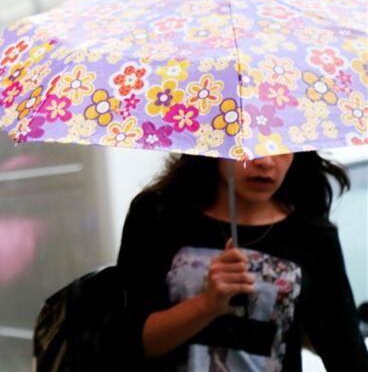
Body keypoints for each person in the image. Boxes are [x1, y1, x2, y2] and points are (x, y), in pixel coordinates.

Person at [117, 152, 368, 371]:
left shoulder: (312, 235)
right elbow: (129, 344)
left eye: (280, 145)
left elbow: (346, 355)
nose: (265, 161)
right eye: (248, 146)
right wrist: (206, 305)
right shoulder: (158, 215)